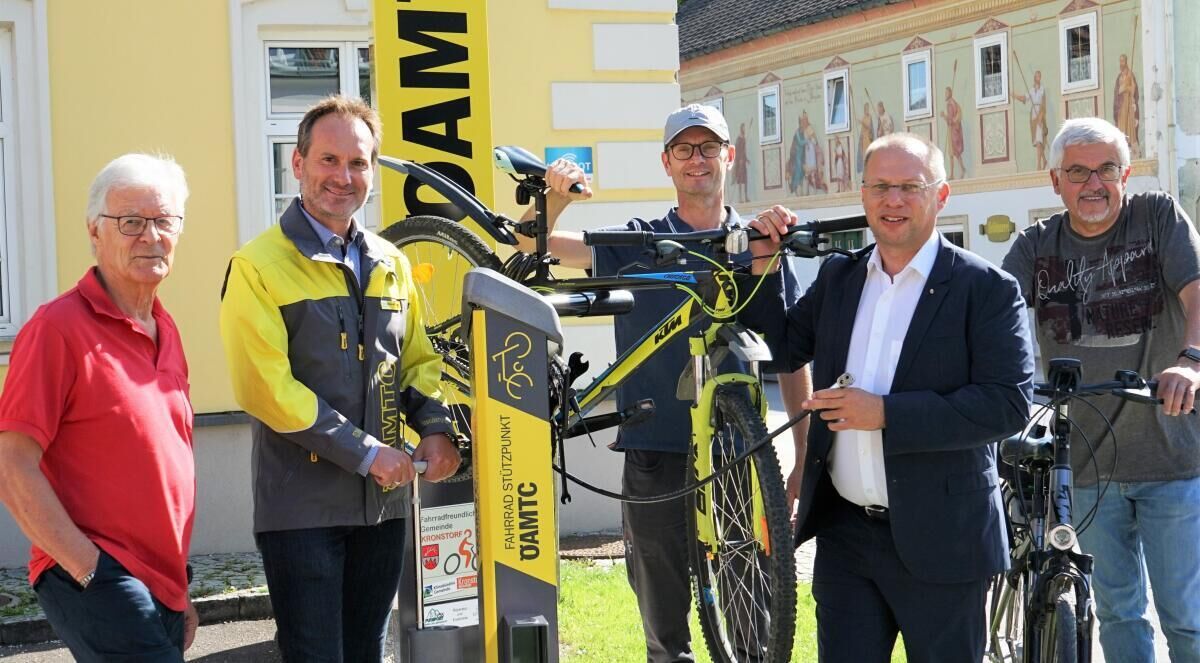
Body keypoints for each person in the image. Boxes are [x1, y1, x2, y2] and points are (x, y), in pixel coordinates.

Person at [519, 102, 812, 663]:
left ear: (730, 156)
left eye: (709, 147)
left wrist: (802, 455)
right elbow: (532, 245)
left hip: (737, 457)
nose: (697, 159)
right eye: (684, 149)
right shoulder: (638, 241)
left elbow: (793, 357)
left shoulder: (758, 243)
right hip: (655, 452)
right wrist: (555, 199)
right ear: (667, 162)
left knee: (754, 629)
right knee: (664, 634)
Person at [743, 132, 1033, 661]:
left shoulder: (986, 288)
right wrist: (765, 263)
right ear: (863, 195)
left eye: (909, 186)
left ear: (940, 196)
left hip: (945, 541)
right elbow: (782, 348)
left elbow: (1007, 403)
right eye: (880, 187)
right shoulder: (840, 276)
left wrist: (883, 413)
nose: (892, 200)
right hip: (846, 538)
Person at [219, 95, 460, 662]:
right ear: (297, 163)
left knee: (366, 652)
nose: (343, 177)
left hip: (383, 506)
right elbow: (265, 389)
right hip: (300, 510)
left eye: (358, 163)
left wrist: (435, 427)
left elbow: (416, 360)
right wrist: (366, 453)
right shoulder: (256, 267)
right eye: (328, 160)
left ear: (372, 171)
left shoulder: (391, 261)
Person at [1001, 117, 1200, 662]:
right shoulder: (1035, 246)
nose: (1093, 183)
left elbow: (1196, 290)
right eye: (1077, 172)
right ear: (1055, 181)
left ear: (1125, 175)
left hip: (1171, 458)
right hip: (1087, 465)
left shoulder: (1156, 217)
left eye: (1106, 169)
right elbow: (995, 314)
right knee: (1118, 611)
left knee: (1187, 620)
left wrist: (1190, 361)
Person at [0, 154, 198, 661]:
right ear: (95, 231)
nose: (151, 236)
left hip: (162, 582)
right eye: (131, 222)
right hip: (98, 574)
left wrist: (180, 591)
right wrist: (88, 568)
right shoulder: (56, 328)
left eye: (164, 221)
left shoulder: (166, 327)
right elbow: (12, 464)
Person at [1013, 69, 1049, 170]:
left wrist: (1040, 117)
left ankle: (1038, 165)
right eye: (1037, 76)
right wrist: (1015, 96)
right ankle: (1044, 160)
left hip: (1040, 115)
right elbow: (1024, 98)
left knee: (1039, 140)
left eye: (1039, 76)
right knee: (1037, 141)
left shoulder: (1042, 89)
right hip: (1033, 116)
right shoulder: (1032, 90)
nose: (1038, 78)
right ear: (1034, 78)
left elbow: (1044, 104)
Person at [1113, 54, 1141, 158]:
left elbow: (1134, 90)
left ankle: (1132, 148)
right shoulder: (1119, 77)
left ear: (1126, 62)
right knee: (1122, 126)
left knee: (1130, 126)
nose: (1121, 63)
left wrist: (1128, 88)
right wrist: (1123, 87)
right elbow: (1118, 91)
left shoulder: (1130, 75)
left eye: (1123, 61)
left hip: (1129, 104)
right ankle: (1123, 146)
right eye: (1120, 61)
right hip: (1121, 106)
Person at [940, 86, 966, 179]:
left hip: (952, 131)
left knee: (952, 153)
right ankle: (961, 169)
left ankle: (952, 174)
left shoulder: (950, 105)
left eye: (946, 93)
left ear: (950, 94)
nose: (945, 95)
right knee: (955, 153)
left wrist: (943, 116)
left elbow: (950, 121)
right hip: (956, 130)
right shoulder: (954, 103)